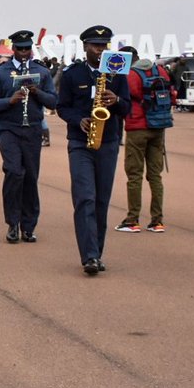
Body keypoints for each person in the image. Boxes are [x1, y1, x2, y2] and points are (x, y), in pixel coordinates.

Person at [56, 26, 131, 275]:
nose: (100, 50)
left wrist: (117, 100)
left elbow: (128, 108)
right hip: (80, 143)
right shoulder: (72, 74)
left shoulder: (117, 73)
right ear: (85, 46)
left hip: (108, 142)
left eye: (104, 45)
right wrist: (79, 120)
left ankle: (96, 253)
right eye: (96, 45)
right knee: (85, 197)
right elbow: (62, 107)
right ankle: (88, 256)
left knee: (101, 201)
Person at [0, 30, 56, 243]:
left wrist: (37, 92)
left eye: (27, 48)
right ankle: (12, 223)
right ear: (13, 49)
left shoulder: (42, 72)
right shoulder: (0, 73)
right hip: (10, 129)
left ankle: (28, 226)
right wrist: (10, 101)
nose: (24, 52)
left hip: (33, 129)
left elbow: (53, 102)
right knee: (14, 173)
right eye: (20, 48)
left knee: (31, 177)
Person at [115, 47, 175, 235]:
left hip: (137, 127)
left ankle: (132, 219)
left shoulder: (130, 75)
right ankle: (157, 221)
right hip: (159, 127)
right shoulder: (160, 71)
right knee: (155, 176)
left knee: (134, 175)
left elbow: (124, 97)